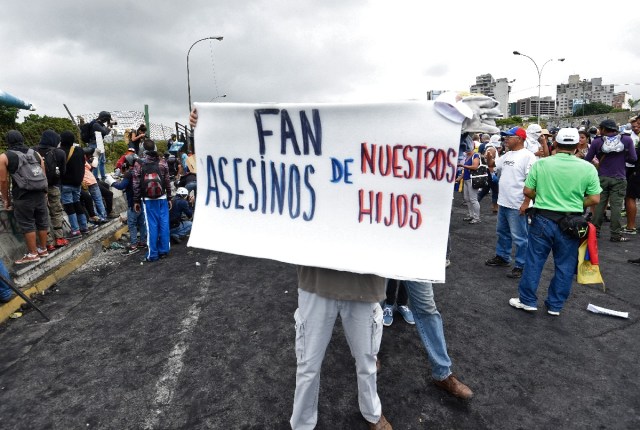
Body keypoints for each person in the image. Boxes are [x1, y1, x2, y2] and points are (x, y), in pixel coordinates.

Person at [190, 108, 392, 430]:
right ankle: (302, 424)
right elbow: (261, 156)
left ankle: (371, 413)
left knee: (366, 362)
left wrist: (442, 130)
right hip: (315, 283)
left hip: (364, 286)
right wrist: (212, 128)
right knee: (308, 364)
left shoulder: (375, 166)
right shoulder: (310, 165)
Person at [509, 128, 601, 316]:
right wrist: (576, 203)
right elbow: (595, 199)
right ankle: (555, 305)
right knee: (565, 265)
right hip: (572, 221)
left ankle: (527, 300)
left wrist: (543, 196)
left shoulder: (542, 164)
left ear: (556, 144)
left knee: (534, 260)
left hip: (543, 218)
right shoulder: (587, 168)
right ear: (577, 146)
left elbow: (527, 191)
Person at [485, 126, 536, 279]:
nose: (506, 138)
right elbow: (494, 165)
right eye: (505, 136)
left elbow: (531, 182)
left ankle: (521, 265)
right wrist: (489, 158)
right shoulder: (508, 155)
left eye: (509, 136)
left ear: (519, 138)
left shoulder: (528, 156)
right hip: (504, 202)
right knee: (502, 233)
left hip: (517, 204)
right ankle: (503, 257)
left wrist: (526, 203)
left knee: (520, 237)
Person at [0, 130, 50, 264]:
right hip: (40, 192)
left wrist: (6, 200)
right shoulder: (35, 153)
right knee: (42, 221)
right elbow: (43, 174)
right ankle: (43, 249)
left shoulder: (5, 157)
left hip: (23, 195)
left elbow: (3, 181)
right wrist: (45, 193)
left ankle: (33, 254)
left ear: (8, 141)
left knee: (27, 224)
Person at [584, 119, 637, 242]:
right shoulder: (627, 140)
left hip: (601, 177)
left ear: (603, 129)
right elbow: (633, 158)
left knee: (599, 206)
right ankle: (615, 235)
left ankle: (595, 231)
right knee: (616, 207)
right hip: (619, 178)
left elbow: (587, 159)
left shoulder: (597, 142)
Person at [133, 139, 172, 262]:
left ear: (142, 150)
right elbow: (167, 181)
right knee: (164, 224)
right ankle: (164, 251)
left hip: (148, 200)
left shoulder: (139, 163)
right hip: (162, 197)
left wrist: (136, 201)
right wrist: (169, 197)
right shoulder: (162, 162)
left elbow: (136, 184)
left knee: (151, 226)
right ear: (155, 148)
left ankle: (153, 254)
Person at [35, 129, 69, 251]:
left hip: (38, 189)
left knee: (42, 215)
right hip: (53, 186)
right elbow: (63, 172)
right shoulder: (59, 153)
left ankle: (48, 242)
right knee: (56, 212)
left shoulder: (33, 151)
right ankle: (59, 239)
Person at [111, 154, 147, 255]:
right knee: (141, 223)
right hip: (142, 201)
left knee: (132, 224)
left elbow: (121, 186)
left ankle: (134, 245)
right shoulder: (142, 171)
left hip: (133, 203)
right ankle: (142, 242)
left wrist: (111, 182)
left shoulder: (129, 174)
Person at [59, 131, 89, 239]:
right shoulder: (80, 150)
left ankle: (75, 230)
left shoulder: (61, 151)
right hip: (78, 183)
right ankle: (84, 226)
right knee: (77, 203)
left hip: (66, 183)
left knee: (69, 206)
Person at [457, 136, 481, 224]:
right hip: (467, 179)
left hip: (472, 180)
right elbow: (466, 170)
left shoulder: (475, 155)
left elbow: (475, 167)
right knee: (467, 198)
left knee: (473, 199)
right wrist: (459, 178)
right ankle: (471, 215)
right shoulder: (467, 156)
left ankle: (476, 217)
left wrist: (463, 166)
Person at [622, 115, 640, 235]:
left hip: (636, 171)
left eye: (638, 124)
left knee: (630, 196)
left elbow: (635, 158)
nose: (636, 127)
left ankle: (630, 226)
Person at [82, 147, 108, 223]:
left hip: (85, 183)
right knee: (98, 200)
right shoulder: (84, 160)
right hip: (92, 181)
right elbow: (91, 167)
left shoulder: (77, 160)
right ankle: (103, 217)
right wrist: (95, 158)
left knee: (91, 202)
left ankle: (97, 218)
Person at [88, 111, 114, 181]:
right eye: (107, 119)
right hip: (95, 145)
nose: (106, 121)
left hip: (99, 144)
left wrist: (109, 126)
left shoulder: (100, 124)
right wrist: (108, 127)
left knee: (102, 161)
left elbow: (105, 133)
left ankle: (103, 176)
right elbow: (105, 132)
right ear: (104, 118)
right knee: (96, 162)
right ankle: (96, 178)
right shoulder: (96, 124)